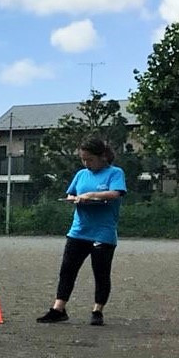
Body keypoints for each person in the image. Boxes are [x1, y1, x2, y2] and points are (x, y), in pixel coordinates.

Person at [37, 137, 127, 327]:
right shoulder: (81, 174)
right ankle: (58, 309)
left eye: (90, 159)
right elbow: (71, 193)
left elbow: (115, 193)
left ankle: (97, 310)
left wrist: (92, 195)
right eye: (83, 159)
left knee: (101, 273)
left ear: (102, 157)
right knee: (67, 270)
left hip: (103, 232)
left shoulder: (115, 173)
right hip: (79, 231)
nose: (86, 163)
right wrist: (74, 198)